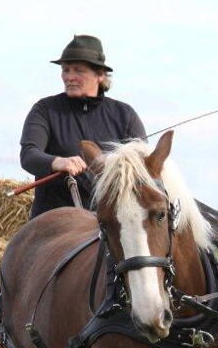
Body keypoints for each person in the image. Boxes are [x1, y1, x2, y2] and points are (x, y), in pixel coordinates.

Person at [19, 34, 146, 218]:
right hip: (54, 223)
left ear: (100, 75)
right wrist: (57, 162)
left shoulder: (125, 115)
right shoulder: (45, 109)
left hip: (111, 223)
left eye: (78, 71)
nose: (69, 77)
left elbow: (143, 168)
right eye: (66, 70)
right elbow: (29, 155)